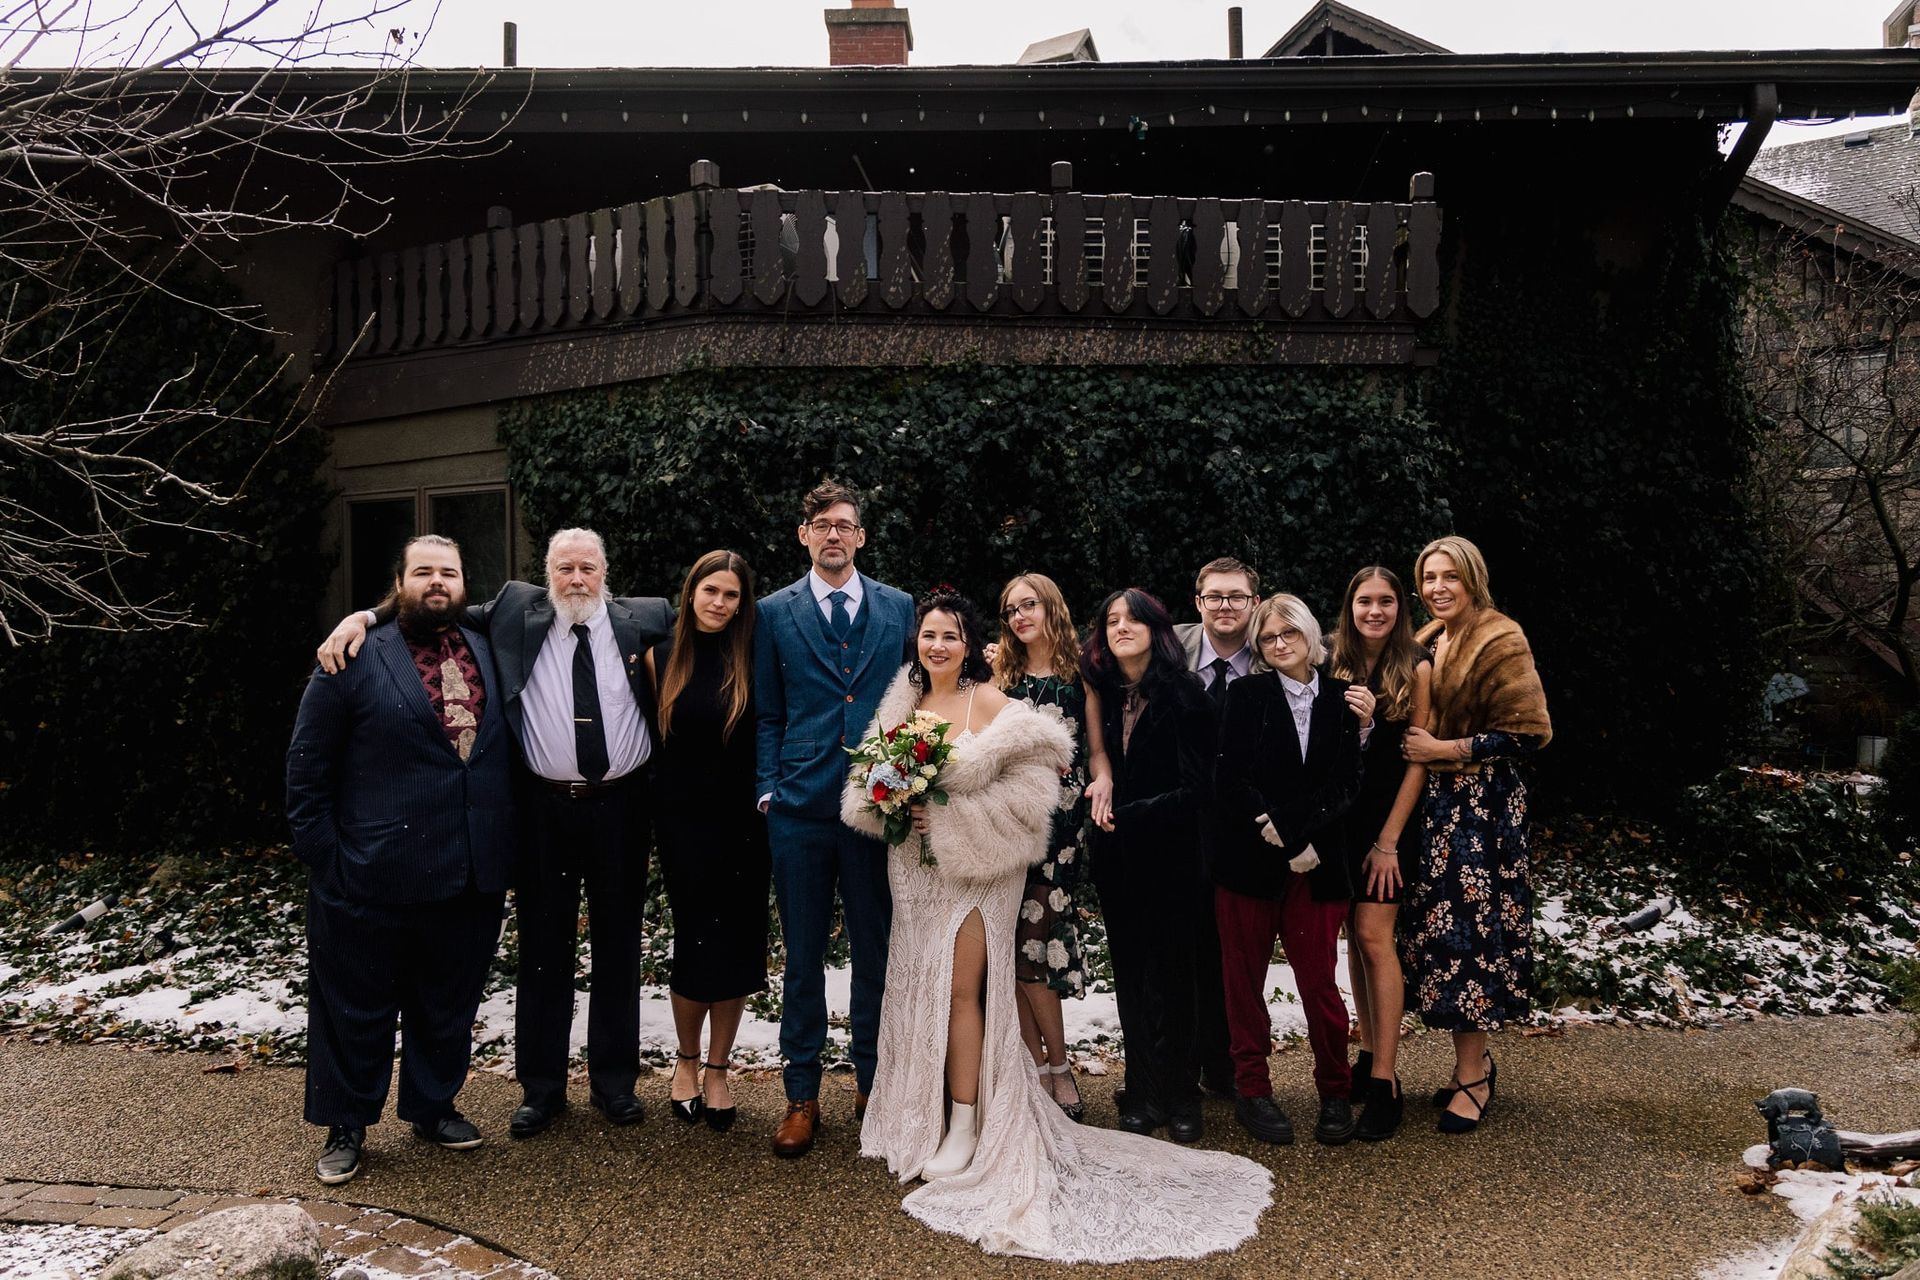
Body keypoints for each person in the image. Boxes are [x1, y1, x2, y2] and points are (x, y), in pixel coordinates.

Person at [847, 590, 1272, 1262]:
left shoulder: (994, 707)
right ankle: (922, 1114)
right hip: (917, 871)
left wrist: (949, 815)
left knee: (965, 992)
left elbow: (1031, 796)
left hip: (979, 871)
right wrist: (894, 800)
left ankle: (965, 1123)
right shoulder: (904, 703)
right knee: (916, 984)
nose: (937, 647)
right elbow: (868, 788)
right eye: (928, 636)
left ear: (970, 645)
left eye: (951, 637)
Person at [315, 528, 674, 1139]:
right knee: (543, 952)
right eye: (564, 569)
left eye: (588, 568)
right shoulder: (514, 609)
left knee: (618, 949)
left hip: (621, 808)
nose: (576, 580)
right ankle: (542, 1090)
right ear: (547, 573)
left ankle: (615, 1083)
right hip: (542, 810)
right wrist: (360, 617)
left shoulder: (647, 618)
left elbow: (722, 626)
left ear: (605, 572)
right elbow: (427, 603)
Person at [286, 535, 513, 1185]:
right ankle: (346, 1125)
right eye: (423, 572)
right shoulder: (356, 653)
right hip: (371, 871)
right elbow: (307, 769)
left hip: (470, 867)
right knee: (355, 1008)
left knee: (447, 1001)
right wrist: (327, 858)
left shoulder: (492, 642)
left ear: (467, 584)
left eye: (449, 572)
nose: (437, 582)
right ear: (399, 582)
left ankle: (433, 1105)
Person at [754, 479, 915, 1157]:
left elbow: (916, 700)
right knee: (804, 959)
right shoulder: (772, 612)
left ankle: (874, 1086)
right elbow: (767, 710)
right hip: (799, 808)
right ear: (803, 534)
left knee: (877, 953)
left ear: (861, 536)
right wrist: (768, 787)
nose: (833, 534)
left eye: (844, 524)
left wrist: (903, 786)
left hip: (875, 809)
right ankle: (801, 1095)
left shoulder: (897, 607)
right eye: (820, 523)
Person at [1399, 535, 1551, 1135]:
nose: (1437, 588)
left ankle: (1474, 1076)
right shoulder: (1428, 638)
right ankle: (1473, 1059)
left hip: (1480, 814)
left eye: (1449, 577)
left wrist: (1446, 749)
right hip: (1434, 811)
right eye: (1429, 577)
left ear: (1473, 580)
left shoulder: (1500, 637)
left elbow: (1526, 733)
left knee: (1470, 938)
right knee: (1438, 937)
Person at [1212, 595, 1365, 1147]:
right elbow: (1230, 779)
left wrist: (1296, 833)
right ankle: (1254, 1090)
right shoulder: (1246, 695)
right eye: (1268, 637)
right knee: (1243, 985)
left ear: (1309, 635)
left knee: (1320, 985)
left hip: (1319, 868)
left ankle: (1335, 1092)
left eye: (1288, 634)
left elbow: (1346, 783)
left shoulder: (1342, 699)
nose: (1279, 644)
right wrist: (1278, 834)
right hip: (1248, 868)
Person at [1081, 588, 1216, 1143]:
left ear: (1155, 628)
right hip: (1119, 858)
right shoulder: (1105, 693)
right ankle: (1141, 1090)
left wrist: (1131, 815)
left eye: (1133, 618)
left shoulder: (1185, 692)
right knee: (1132, 976)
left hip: (1174, 856)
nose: (1121, 627)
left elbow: (1198, 788)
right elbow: (1098, 759)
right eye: (1112, 620)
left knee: (1176, 976)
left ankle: (1184, 1093)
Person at [645, 550, 768, 1133]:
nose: (719, 603)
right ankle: (687, 1061)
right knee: (696, 946)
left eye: (732, 595)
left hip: (746, 825)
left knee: (738, 948)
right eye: (710, 591)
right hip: (683, 826)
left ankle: (719, 1068)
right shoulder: (658, 657)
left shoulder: (754, 657)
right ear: (690, 591)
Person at [1327, 565, 1432, 1142]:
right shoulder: (1331, 659)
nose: (1374, 611)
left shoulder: (1415, 664)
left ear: (1399, 608)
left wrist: (1389, 841)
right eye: (1364, 600)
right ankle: (1367, 1055)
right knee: (1353, 941)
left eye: (1386, 601)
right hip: (1339, 823)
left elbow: (1416, 758)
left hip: (1387, 826)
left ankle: (1388, 1081)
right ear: (1350, 605)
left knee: (1374, 938)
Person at [990, 572, 1095, 1121]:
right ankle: (1036, 1070)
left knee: (1036, 943)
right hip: (1009, 823)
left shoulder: (1082, 675)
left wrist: (1101, 786)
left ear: (1051, 606)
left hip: (1060, 829)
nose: (1019, 616)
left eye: (1028, 605)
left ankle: (1060, 1065)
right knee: (1011, 952)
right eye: (1010, 610)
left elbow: (1096, 751)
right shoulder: (1000, 676)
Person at [1167, 557, 1259, 1100]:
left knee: (1236, 947)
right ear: (1198, 602)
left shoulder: (1277, 652)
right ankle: (1185, 1060)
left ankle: (1231, 1065)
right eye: (1215, 597)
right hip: (1181, 823)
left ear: (1254, 603)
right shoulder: (1169, 650)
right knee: (1187, 944)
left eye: (1237, 597)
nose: (1225, 606)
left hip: (1248, 826)